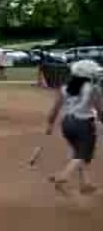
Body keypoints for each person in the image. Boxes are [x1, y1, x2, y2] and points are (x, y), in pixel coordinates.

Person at [44, 58, 100, 196]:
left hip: (67, 123)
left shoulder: (65, 88)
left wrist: (50, 124)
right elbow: (100, 110)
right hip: (83, 124)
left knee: (79, 154)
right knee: (83, 154)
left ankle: (85, 184)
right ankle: (63, 176)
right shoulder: (93, 89)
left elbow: (55, 109)